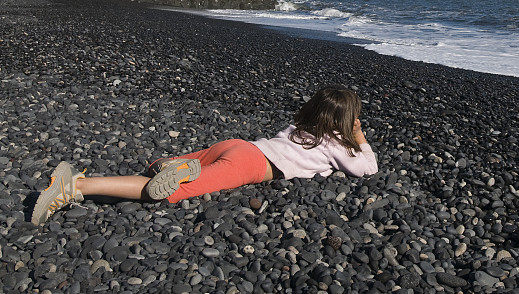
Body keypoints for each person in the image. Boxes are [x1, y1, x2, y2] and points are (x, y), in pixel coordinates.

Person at [32, 86, 378, 225]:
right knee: (162, 190)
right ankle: (76, 185)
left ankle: (175, 164)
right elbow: (366, 169)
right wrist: (359, 139)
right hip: (252, 165)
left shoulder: (298, 129)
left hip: (240, 145)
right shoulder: (337, 144)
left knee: (194, 164)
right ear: (346, 121)